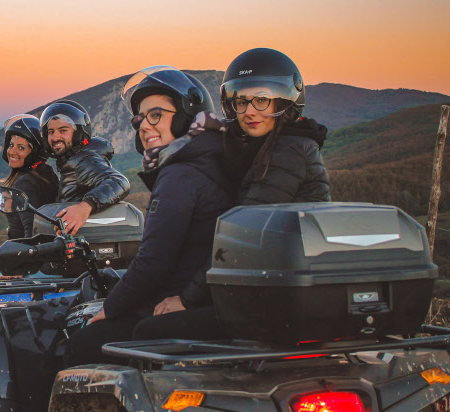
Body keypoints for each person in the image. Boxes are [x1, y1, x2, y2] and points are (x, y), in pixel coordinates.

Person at [135, 48, 331, 340]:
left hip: (278, 301)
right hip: (267, 288)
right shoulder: (259, 148)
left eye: (261, 100)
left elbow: (240, 235)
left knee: (148, 333)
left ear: (286, 101)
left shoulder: (288, 152)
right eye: (241, 101)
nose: (250, 110)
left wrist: (187, 299)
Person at [66, 66, 234, 365]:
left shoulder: (180, 173)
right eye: (140, 118)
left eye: (156, 115)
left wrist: (110, 308)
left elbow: (153, 261)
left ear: (185, 118)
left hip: (178, 303)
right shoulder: (210, 161)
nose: (143, 126)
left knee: (77, 347)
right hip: (204, 299)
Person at [39, 100, 130, 235]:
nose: (55, 137)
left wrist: (85, 206)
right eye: (51, 132)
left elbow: (119, 182)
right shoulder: (73, 161)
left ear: (78, 134)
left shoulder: (84, 160)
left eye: (63, 130)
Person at [1, 114, 59, 239]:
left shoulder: (24, 183)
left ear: (34, 152)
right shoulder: (47, 173)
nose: (12, 152)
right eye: (11, 145)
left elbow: (32, 230)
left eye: (21, 147)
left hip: (25, 252)